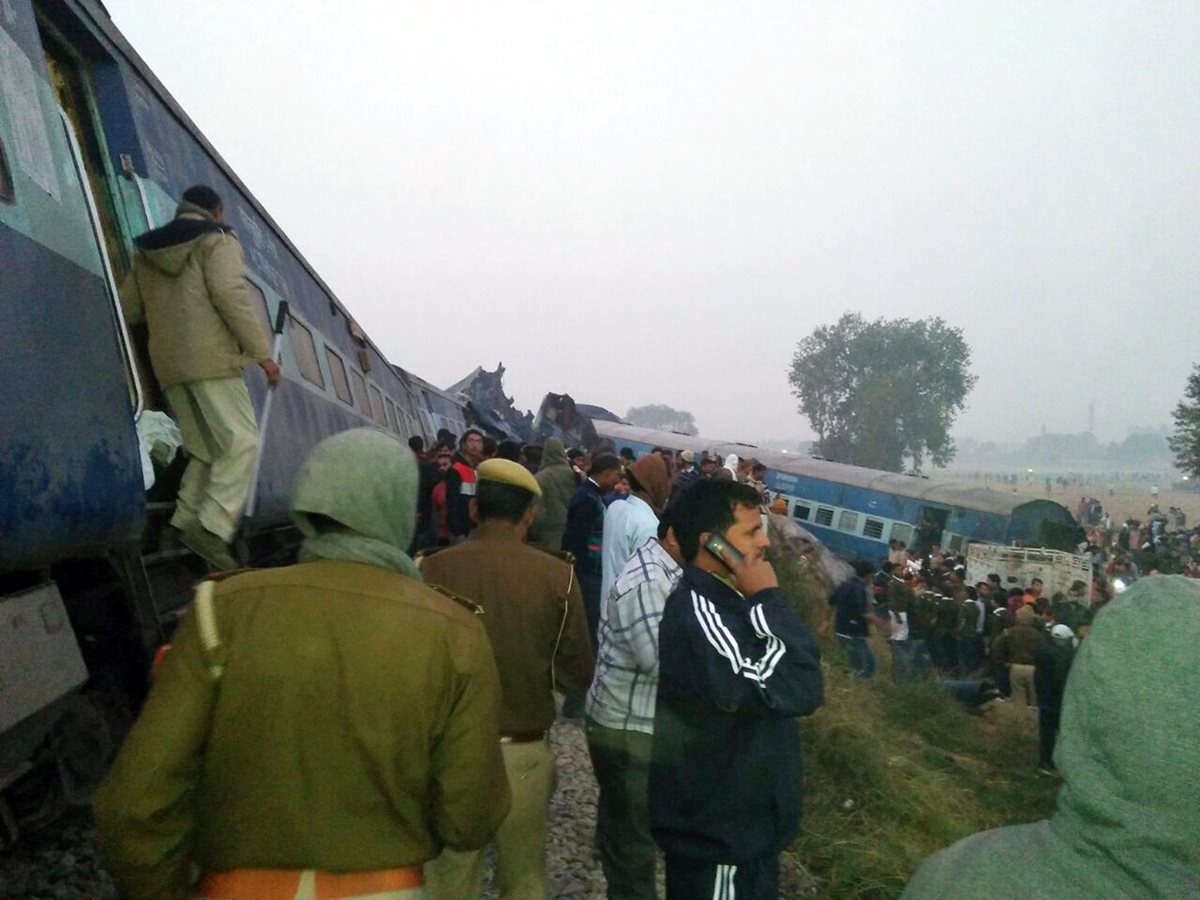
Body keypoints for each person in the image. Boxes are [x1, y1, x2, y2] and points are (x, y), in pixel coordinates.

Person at [93, 428, 510, 900]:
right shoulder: (454, 630)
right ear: (403, 511)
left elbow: (132, 806)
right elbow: (469, 817)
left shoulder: (220, 609)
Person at [902, 576, 1200, 899]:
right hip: (1032, 679)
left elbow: (997, 650)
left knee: (1019, 702)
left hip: (1018, 673)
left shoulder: (955, 879)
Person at [420, 459, 595, 900]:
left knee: (449, 878)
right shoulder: (558, 575)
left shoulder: (429, 569)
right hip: (523, 754)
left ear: (475, 510)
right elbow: (577, 675)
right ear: (530, 515)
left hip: (447, 756)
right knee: (524, 879)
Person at [651, 481, 824, 900]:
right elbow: (796, 686)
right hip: (718, 848)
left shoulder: (730, 602)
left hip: (742, 840)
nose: (764, 542)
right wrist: (767, 596)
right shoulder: (699, 613)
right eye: (750, 533)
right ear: (712, 545)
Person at [119, 184, 279, 570]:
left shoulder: (147, 251)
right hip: (212, 360)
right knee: (242, 442)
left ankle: (183, 523)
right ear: (216, 211)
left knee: (206, 451)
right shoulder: (217, 240)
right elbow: (229, 294)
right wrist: (264, 356)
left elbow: (130, 309)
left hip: (169, 367)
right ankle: (212, 526)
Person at [586, 507, 684, 900]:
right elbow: (660, 662)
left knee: (623, 822)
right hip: (626, 729)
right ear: (675, 535)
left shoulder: (664, 571)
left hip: (624, 723)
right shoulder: (648, 582)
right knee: (635, 844)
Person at [561, 454, 624, 718]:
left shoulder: (589, 495)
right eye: (616, 475)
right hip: (587, 576)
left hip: (589, 574)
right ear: (606, 473)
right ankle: (575, 704)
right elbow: (574, 542)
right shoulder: (587, 500)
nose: (618, 481)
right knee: (587, 639)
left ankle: (576, 700)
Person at [600, 453, 673, 604]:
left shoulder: (615, 508)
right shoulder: (648, 526)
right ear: (655, 482)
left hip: (607, 605)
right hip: (629, 612)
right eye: (666, 481)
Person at [1034, 623, 1076, 775]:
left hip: (1044, 699)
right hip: (1057, 701)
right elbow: (1060, 680)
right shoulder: (1061, 657)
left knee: (1046, 733)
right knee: (1064, 734)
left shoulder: (1043, 651)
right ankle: (1058, 764)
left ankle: (1045, 762)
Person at [828, 560, 882, 677]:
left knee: (858, 662)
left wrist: (826, 621)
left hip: (841, 628)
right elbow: (863, 612)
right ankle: (853, 684)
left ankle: (848, 679)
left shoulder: (844, 584)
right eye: (872, 575)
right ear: (868, 575)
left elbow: (832, 602)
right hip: (853, 631)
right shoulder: (859, 589)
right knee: (867, 665)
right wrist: (880, 623)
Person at [528, 437, 575, 553]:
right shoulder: (578, 476)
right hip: (572, 536)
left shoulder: (539, 479)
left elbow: (537, 514)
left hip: (547, 538)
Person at [991, 604, 1041, 707]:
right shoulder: (1038, 635)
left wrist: (1003, 661)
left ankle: (1020, 719)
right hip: (1033, 669)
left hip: (1015, 667)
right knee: (1034, 698)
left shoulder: (1010, 632)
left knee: (1018, 698)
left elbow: (996, 646)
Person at [445, 428, 485, 541]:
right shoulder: (456, 469)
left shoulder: (478, 469)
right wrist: (456, 530)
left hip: (475, 527)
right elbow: (452, 502)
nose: (475, 445)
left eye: (478, 441)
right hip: (462, 530)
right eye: (471, 441)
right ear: (463, 445)